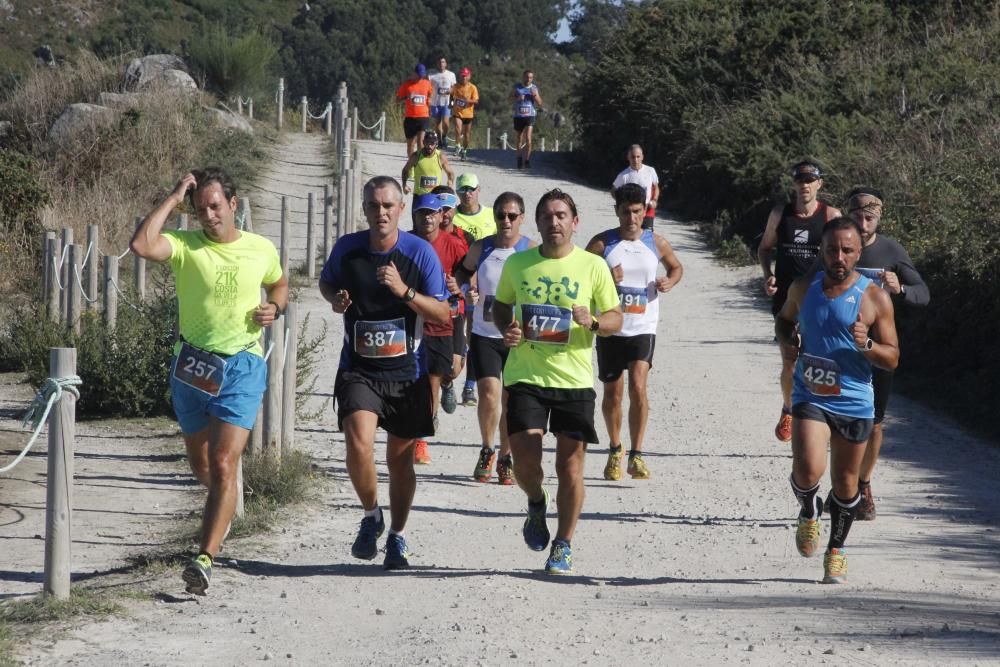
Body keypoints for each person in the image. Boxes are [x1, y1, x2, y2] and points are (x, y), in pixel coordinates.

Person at [130, 168, 288, 595]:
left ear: (233, 204)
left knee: (221, 462)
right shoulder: (184, 245)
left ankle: (204, 558)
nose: (209, 216)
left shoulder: (259, 248)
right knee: (203, 466)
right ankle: (227, 501)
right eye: (201, 210)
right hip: (192, 367)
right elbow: (142, 244)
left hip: (241, 365)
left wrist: (275, 306)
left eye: (216, 207)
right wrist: (174, 195)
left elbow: (279, 282)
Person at [319, 176, 450, 570]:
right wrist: (336, 300)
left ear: (400, 208)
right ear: (364, 209)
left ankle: (397, 535)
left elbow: (444, 313)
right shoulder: (347, 249)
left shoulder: (419, 253)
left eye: (388, 206)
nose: (381, 213)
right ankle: (371, 514)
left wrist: (405, 292)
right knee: (358, 442)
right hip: (359, 368)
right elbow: (327, 285)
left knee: (399, 460)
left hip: (407, 372)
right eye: (374, 206)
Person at [493, 189, 622, 574]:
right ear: (538, 221)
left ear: (575, 222)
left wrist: (594, 322)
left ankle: (563, 544)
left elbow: (616, 318)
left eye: (562, 215)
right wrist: (508, 329)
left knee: (571, 466)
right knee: (526, 461)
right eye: (548, 216)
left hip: (573, 379)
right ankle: (536, 500)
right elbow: (500, 306)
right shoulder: (519, 264)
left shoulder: (592, 266)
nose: (555, 222)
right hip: (525, 374)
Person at [776, 217, 898, 584]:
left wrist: (868, 344)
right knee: (806, 471)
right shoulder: (802, 288)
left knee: (847, 485)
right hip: (810, 394)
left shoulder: (874, 297)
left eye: (847, 250)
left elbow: (893, 357)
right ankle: (809, 510)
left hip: (855, 401)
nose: (839, 257)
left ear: (859, 253)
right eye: (832, 250)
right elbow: (783, 321)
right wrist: (789, 338)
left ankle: (836, 551)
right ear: (822, 252)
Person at [585, 183, 683, 481]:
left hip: (643, 327)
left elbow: (677, 267)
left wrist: (669, 281)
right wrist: (603, 276)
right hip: (611, 327)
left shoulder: (657, 243)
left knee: (638, 386)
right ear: (617, 212)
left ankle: (637, 454)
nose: (631, 218)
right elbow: (579, 276)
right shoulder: (601, 244)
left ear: (645, 212)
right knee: (612, 394)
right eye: (626, 212)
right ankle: (616, 448)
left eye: (637, 212)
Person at [845, 187, 929, 520]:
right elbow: (810, 283)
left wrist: (901, 289)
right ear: (847, 215)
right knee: (841, 420)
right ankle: (843, 483)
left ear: (879, 217)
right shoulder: (837, 244)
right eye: (857, 217)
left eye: (869, 217)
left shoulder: (891, 250)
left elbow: (923, 293)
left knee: (875, 423)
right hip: (839, 347)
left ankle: (863, 484)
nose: (863, 224)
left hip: (878, 348)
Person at [455, 192, 537, 484]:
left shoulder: (531, 250)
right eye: (501, 215)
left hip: (517, 337)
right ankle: (487, 449)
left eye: (512, 216)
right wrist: (468, 292)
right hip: (485, 332)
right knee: (489, 394)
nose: (505, 221)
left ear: (522, 218)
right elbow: (461, 273)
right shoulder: (482, 248)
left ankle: (506, 456)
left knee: (511, 399)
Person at [758, 161, 841, 442]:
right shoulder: (781, 214)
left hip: (822, 300)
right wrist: (767, 275)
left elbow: (846, 255)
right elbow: (765, 248)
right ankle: (789, 409)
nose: (804, 184)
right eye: (799, 179)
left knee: (823, 361)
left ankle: (822, 417)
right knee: (791, 362)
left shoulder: (830, 215)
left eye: (810, 179)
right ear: (793, 184)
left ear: (819, 183)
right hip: (787, 300)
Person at [409, 193, 468, 463]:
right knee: (417, 379)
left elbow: (470, 277)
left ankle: (444, 390)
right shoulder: (405, 242)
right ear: (415, 216)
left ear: (440, 215)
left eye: (433, 213)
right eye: (422, 213)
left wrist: (462, 287)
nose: (428, 218)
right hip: (410, 321)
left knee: (444, 373)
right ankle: (418, 436)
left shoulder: (454, 245)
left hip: (444, 321)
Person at [610, 145, 661, 230]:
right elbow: (613, 190)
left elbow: (656, 187)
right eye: (633, 157)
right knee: (631, 235)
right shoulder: (623, 175)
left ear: (642, 157)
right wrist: (621, 202)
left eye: (638, 156)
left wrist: (655, 200)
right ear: (628, 158)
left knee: (647, 235)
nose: (635, 160)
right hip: (632, 211)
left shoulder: (650, 171)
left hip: (647, 209)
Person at [401, 130, 455, 197]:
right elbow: (405, 170)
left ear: (436, 144)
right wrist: (404, 185)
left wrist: (450, 184)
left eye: (432, 143)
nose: (429, 146)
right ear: (423, 142)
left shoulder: (440, 156)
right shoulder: (416, 156)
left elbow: (450, 173)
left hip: (435, 196)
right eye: (427, 142)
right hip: (419, 196)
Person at [396, 64, 434, 158]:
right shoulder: (407, 85)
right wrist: (406, 97)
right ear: (414, 73)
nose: (421, 76)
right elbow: (397, 99)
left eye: (422, 75)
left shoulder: (427, 83)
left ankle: (420, 165)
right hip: (410, 118)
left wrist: (430, 105)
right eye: (419, 74)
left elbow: (430, 95)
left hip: (423, 116)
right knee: (410, 144)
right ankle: (411, 164)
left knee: (421, 142)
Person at [509, 70, 543, 169]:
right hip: (518, 116)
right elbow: (508, 100)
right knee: (519, 138)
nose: (528, 79)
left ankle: (527, 160)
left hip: (530, 115)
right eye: (527, 77)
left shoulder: (534, 88)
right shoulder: (517, 87)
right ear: (523, 77)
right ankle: (519, 158)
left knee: (528, 138)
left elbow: (540, 103)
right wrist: (517, 98)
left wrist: (535, 96)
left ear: (532, 78)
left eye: (530, 77)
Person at [453, 173, 497, 242]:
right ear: (457, 192)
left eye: (471, 189)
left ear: (478, 189)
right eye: (462, 189)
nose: (467, 193)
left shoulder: (493, 214)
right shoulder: (450, 217)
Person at [450, 67, 479, 159]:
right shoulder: (455, 86)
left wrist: (468, 101)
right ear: (460, 76)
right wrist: (450, 103)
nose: (464, 78)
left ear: (469, 76)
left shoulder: (472, 87)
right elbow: (451, 96)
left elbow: (476, 101)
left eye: (465, 76)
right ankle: (457, 145)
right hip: (458, 112)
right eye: (462, 76)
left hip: (468, 114)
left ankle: (464, 150)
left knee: (467, 134)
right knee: (458, 128)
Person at [428, 57, 457, 149]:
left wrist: (450, 92)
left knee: (446, 122)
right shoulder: (431, 75)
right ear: (437, 64)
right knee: (437, 123)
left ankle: (444, 136)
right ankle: (439, 140)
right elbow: (428, 88)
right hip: (435, 102)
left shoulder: (451, 74)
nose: (441, 64)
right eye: (440, 62)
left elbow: (454, 87)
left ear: (446, 64)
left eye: (443, 62)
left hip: (446, 102)